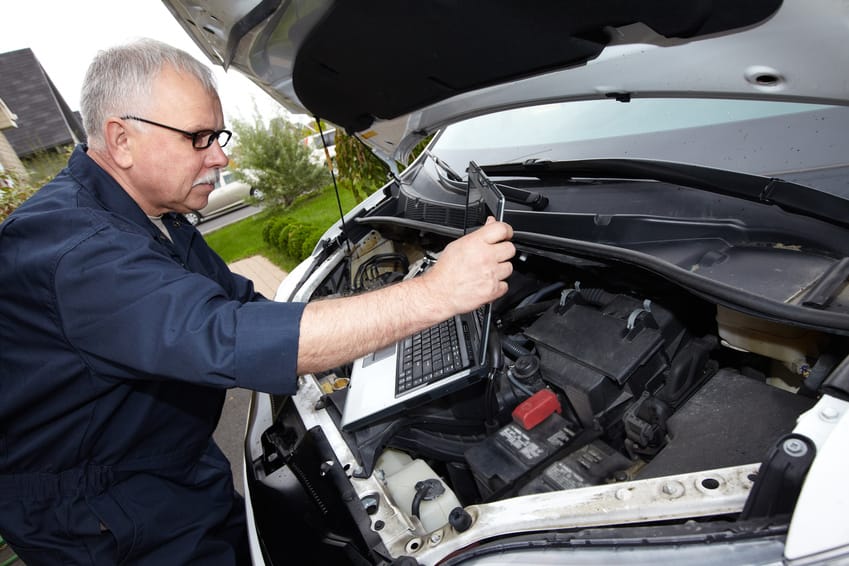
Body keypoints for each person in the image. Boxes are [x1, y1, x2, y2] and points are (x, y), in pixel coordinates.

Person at [0, 39, 514, 564]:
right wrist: (432, 295)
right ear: (121, 139)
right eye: (199, 138)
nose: (220, 157)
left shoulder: (153, 217)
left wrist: (363, 319)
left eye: (217, 137)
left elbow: (246, 305)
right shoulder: (76, 250)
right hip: (101, 516)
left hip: (169, 466)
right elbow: (229, 337)